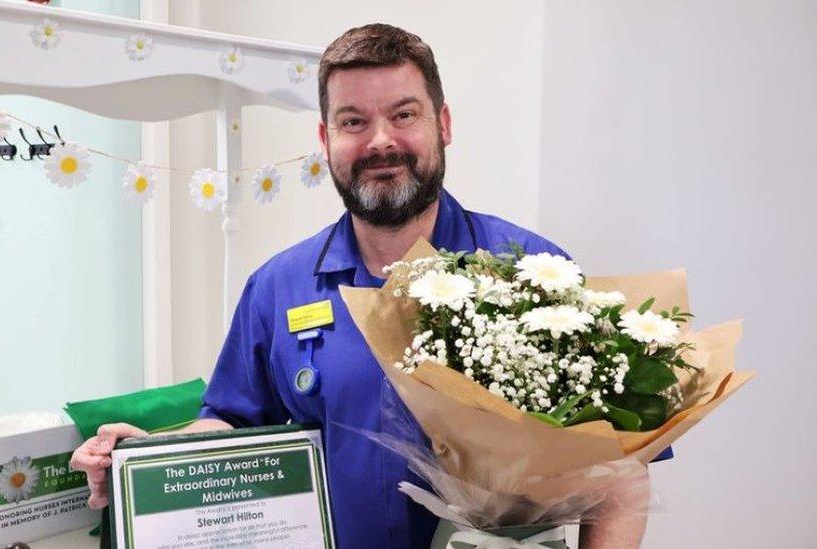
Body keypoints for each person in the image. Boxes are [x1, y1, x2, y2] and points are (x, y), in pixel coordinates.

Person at [71, 23, 649, 548]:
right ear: (325, 139)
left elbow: (622, 470)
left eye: (403, 114)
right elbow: (231, 426)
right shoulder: (278, 287)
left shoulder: (532, 271)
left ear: (442, 124)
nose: (380, 142)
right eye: (354, 121)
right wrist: (145, 456)